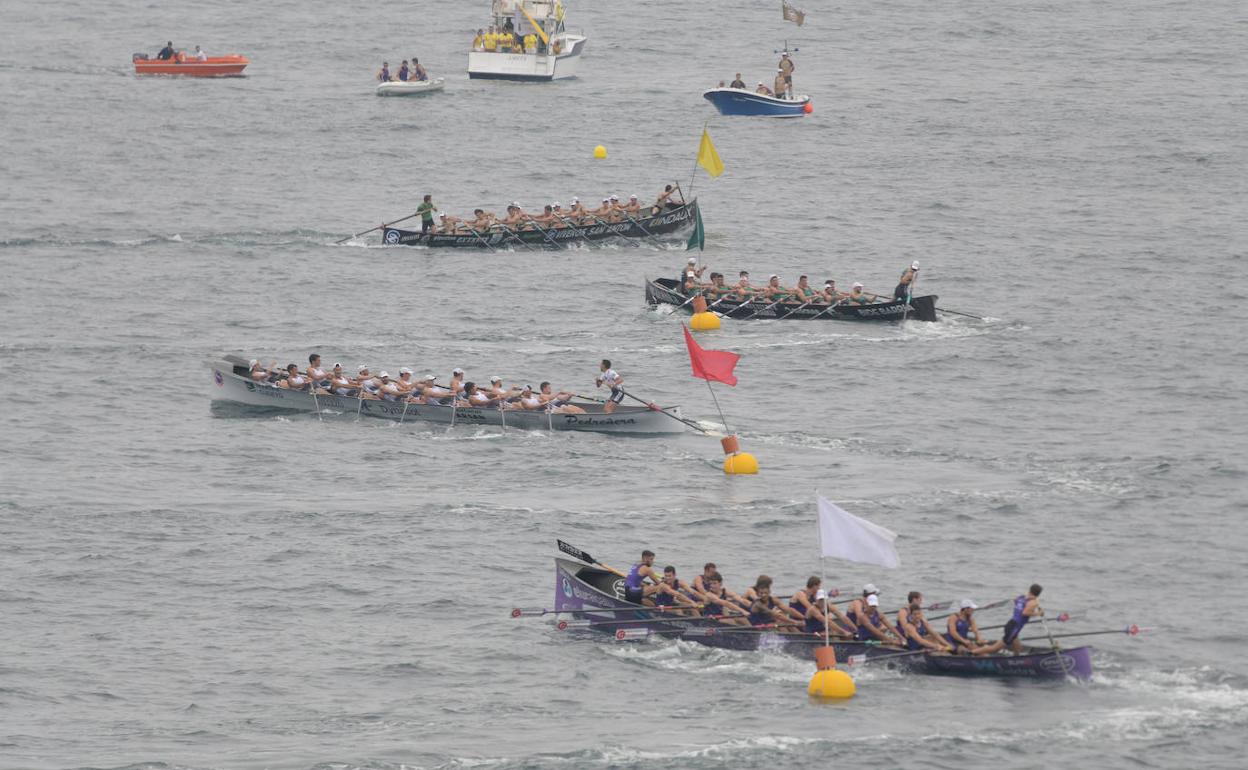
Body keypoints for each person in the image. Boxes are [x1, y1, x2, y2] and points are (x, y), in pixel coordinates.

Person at [979, 584, 1046, 655]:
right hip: (1014, 627)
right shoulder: (1033, 602)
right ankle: (972, 653)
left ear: (1030, 590)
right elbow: (1025, 613)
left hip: (1011, 623)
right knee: (994, 648)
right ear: (1039, 594)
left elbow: (1016, 601)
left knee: (1018, 647)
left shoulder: (1022, 597)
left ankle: (1016, 659)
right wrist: (1039, 613)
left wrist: (1032, 604)